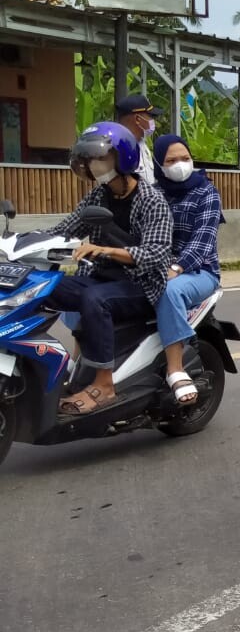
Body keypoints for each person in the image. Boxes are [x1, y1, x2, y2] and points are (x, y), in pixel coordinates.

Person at [48, 123, 173, 415]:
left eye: (100, 158)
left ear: (124, 158)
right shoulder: (97, 196)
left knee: (96, 300)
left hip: (141, 285)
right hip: (101, 279)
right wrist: (18, 243)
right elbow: (62, 232)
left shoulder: (152, 201)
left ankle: (104, 383)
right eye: (90, 159)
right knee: (44, 285)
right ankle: (41, 363)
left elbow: (156, 254)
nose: (93, 165)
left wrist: (106, 250)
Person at [151, 134, 224, 404]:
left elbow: (202, 241)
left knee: (169, 292)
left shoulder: (206, 192)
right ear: (159, 164)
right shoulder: (152, 193)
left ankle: (175, 368)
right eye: (171, 160)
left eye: (184, 158)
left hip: (199, 271)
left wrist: (177, 267)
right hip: (156, 268)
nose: (180, 164)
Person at [114, 94, 163, 187]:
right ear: (137, 119)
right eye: (150, 116)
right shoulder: (117, 149)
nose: (153, 121)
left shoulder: (142, 144)